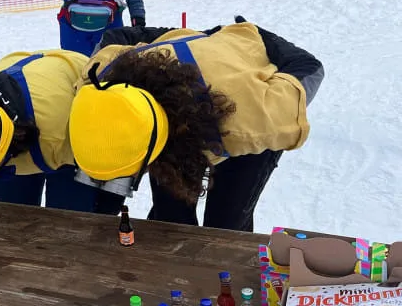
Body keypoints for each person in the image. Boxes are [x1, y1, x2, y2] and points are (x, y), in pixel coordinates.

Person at [67, 17, 324, 231]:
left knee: (226, 224)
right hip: (188, 78)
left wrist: (257, 37)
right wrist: (192, 39)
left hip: (238, 105)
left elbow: (309, 66)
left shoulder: (257, 119)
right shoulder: (101, 76)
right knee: (171, 218)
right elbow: (117, 35)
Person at [0, 50, 124, 214]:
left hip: (67, 96)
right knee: (12, 215)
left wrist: (105, 208)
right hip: (28, 77)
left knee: (68, 219)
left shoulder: (57, 131)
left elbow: (103, 162)